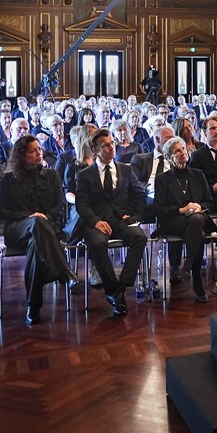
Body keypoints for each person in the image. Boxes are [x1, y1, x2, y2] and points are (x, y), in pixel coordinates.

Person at [0, 135, 78, 324]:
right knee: (36, 224)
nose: (39, 153)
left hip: (45, 228)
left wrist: (44, 217)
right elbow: (1, 210)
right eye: (33, 151)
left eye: (39, 149)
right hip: (17, 228)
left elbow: (59, 205)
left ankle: (33, 306)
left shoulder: (51, 175)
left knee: (36, 244)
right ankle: (63, 271)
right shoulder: (9, 179)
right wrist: (28, 217)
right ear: (22, 155)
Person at [75, 129, 148, 317]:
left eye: (112, 143)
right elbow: (81, 204)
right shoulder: (85, 174)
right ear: (95, 149)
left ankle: (120, 288)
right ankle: (112, 289)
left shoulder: (125, 169)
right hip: (97, 222)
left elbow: (140, 195)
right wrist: (95, 221)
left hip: (121, 220)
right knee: (97, 243)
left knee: (140, 237)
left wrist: (135, 217)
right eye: (105, 145)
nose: (111, 148)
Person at [154, 137, 217, 302]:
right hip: (175, 221)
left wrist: (198, 207)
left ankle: (188, 266)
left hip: (197, 218)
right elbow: (159, 209)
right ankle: (196, 279)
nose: (183, 153)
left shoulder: (197, 174)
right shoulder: (162, 179)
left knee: (196, 219)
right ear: (169, 157)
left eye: (183, 149)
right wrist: (182, 209)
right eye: (177, 151)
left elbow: (208, 202)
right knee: (199, 233)